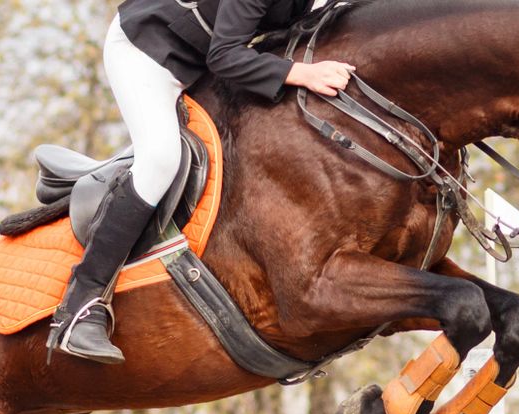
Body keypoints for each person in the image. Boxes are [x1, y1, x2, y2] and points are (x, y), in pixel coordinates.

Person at [48, 0, 356, 364]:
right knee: (161, 159)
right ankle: (81, 303)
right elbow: (224, 56)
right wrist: (302, 73)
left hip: (204, 61)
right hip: (150, 53)